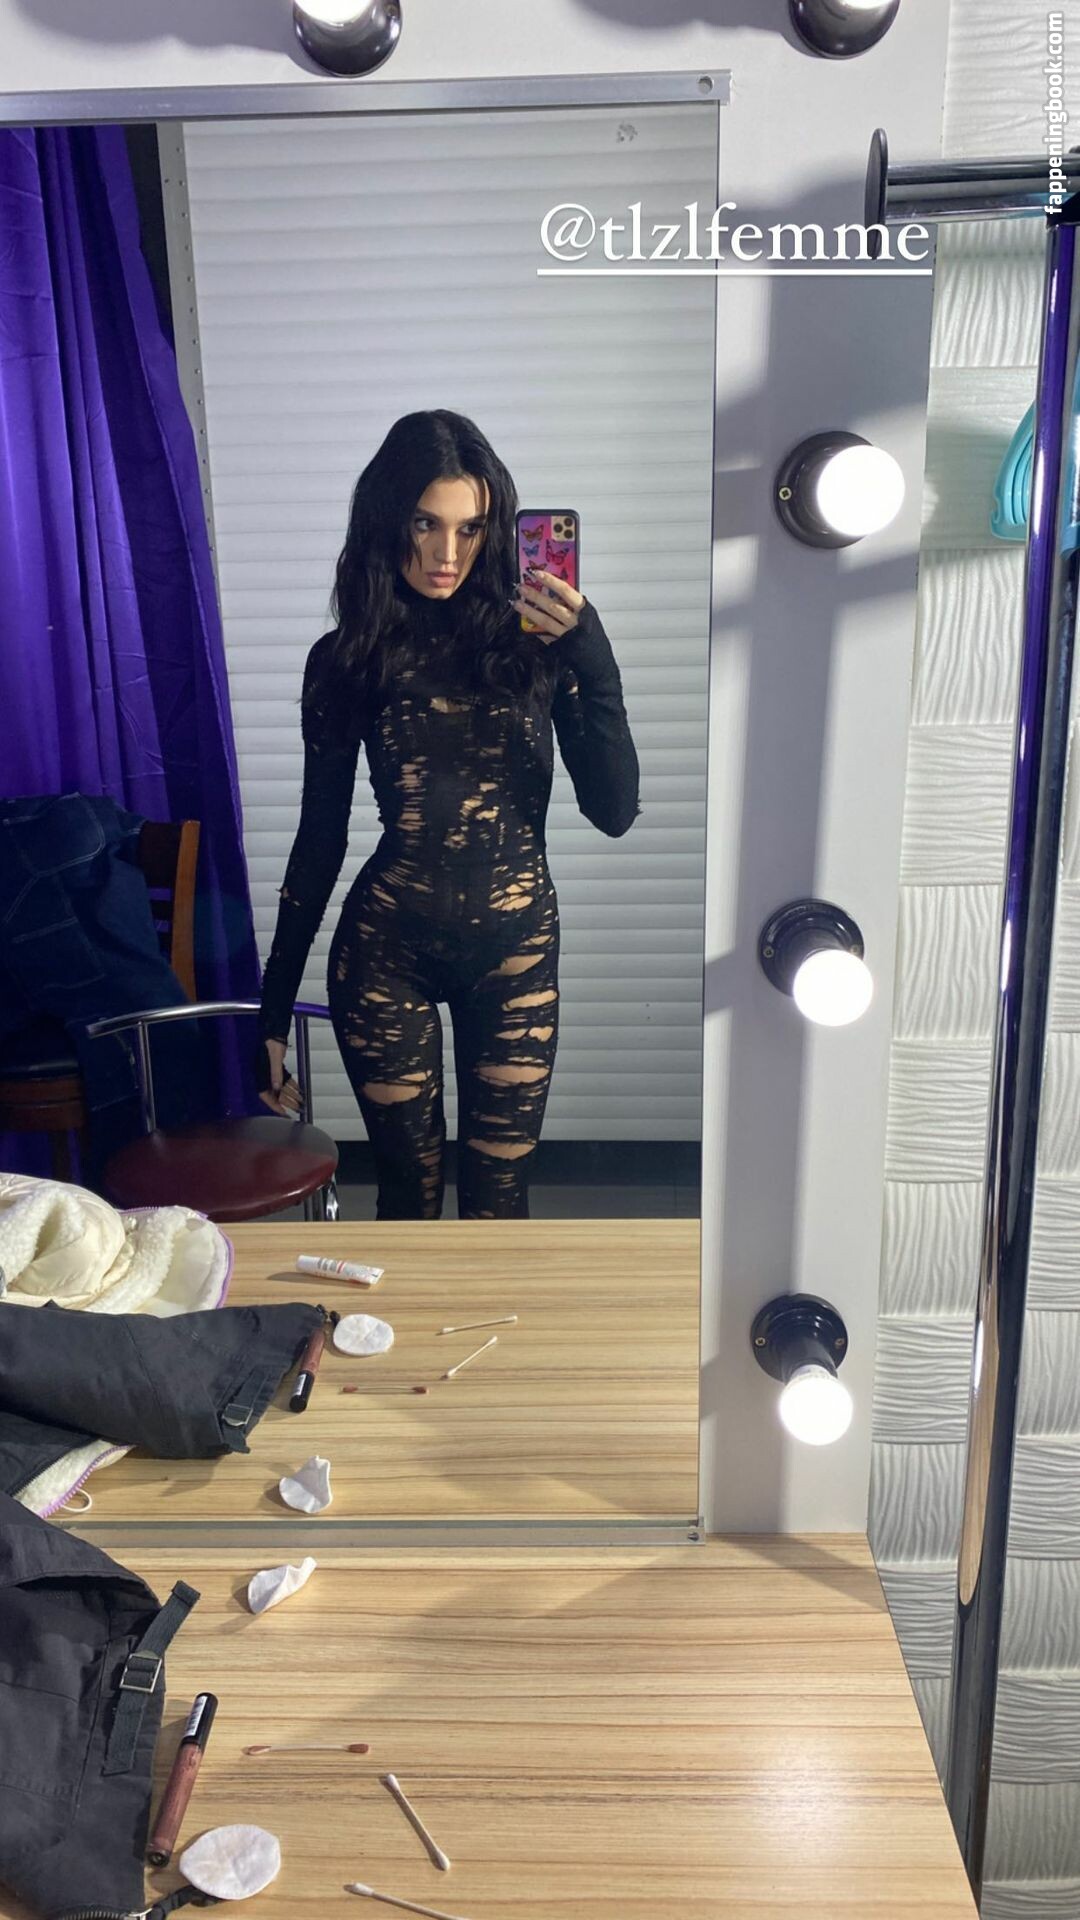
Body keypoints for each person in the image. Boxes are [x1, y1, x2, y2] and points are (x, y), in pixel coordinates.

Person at [255, 408, 640, 1219]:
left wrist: (592, 657)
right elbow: (320, 838)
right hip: (385, 956)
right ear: (388, 521)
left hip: (516, 955)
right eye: (425, 524)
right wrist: (272, 1010)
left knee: (500, 1204)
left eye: (470, 529)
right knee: (408, 1200)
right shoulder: (347, 657)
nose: (447, 554)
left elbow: (613, 810)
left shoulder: (540, 646)